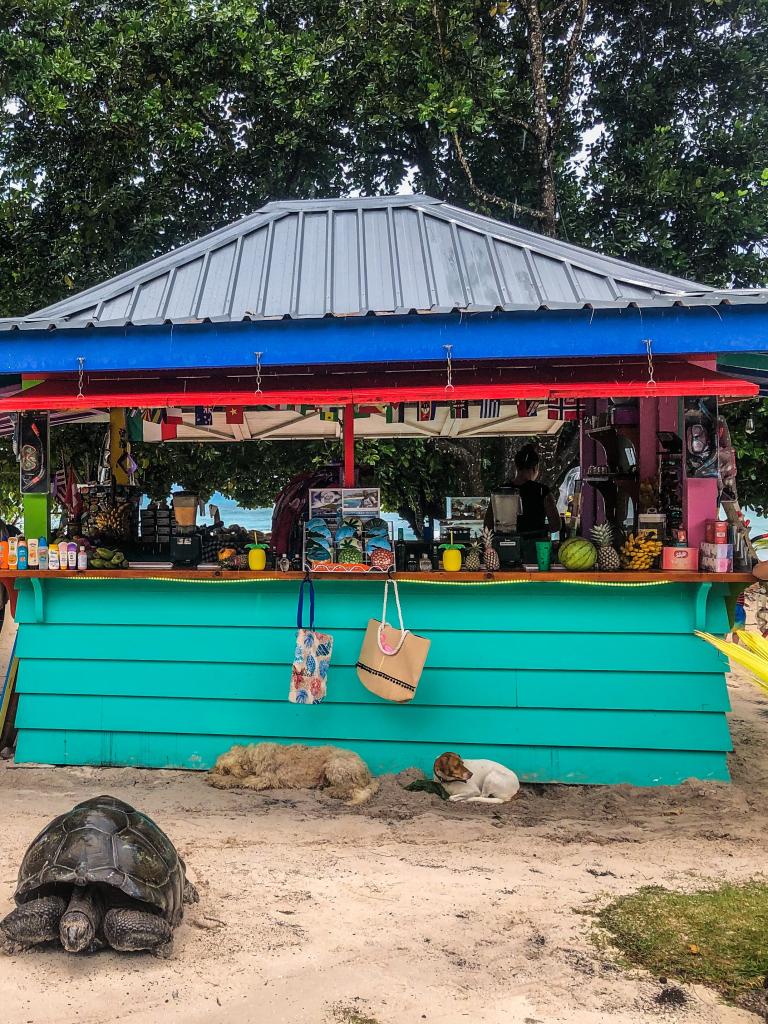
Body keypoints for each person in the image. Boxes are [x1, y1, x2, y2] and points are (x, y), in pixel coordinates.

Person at [485, 444, 561, 563]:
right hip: (536, 550)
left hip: (504, 547)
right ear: (536, 468)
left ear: (516, 466)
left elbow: (487, 525)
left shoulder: (500, 491)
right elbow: (556, 525)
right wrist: (541, 528)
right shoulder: (542, 491)